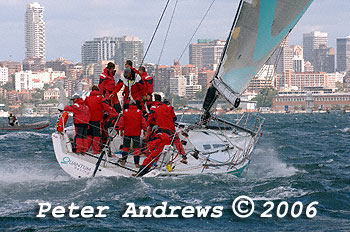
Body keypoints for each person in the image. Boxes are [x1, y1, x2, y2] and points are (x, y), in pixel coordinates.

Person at [85, 85, 116, 154]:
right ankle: (96, 151)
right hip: (97, 120)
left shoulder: (87, 98)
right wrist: (113, 113)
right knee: (97, 135)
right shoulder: (100, 98)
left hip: (88, 120)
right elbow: (106, 108)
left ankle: (86, 149)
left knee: (89, 135)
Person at [117, 102, 147, 168]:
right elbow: (143, 122)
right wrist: (145, 130)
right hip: (136, 133)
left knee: (125, 147)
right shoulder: (139, 112)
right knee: (136, 149)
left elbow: (121, 122)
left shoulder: (125, 112)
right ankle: (136, 163)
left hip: (127, 132)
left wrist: (121, 130)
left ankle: (124, 161)